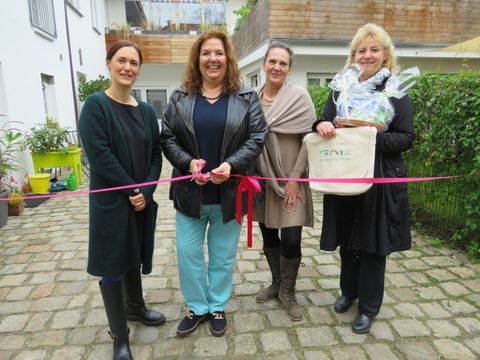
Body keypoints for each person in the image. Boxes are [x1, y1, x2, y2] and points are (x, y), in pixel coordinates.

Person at [161, 30, 267, 337]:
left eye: (218, 53)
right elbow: (167, 136)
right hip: (189, 194)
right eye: (206, 53)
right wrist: (187, 163)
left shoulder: (246, 98)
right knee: (188, 253)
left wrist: (231, 165)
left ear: (228, 58)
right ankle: (197, 307)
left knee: (222, 256)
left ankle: (217, 305)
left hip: (228, 194)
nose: (212, 59)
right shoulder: (180, 97)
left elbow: (258, 136)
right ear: (197, 59)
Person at [313, 23, 414, 334]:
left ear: (385, 55)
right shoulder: (340, 87)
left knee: (372, 245)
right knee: (347, 240)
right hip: (344, 175)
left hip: (379, 178)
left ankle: (369, 307)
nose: (367, 55)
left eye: (374, 49)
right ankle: (349, 292)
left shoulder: (395, 91)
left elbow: (406, 137)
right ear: (353, 55)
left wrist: (367, 137)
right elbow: (325, 120)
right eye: (361, 50)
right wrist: (322, 125)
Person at [79, 40, 165, 359]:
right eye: (121, 60)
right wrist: (132, 191)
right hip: (112, 203)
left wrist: (147, 191)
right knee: (113, 264)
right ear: (109, 63)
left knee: (134, 255)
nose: (128, 67)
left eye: (134, 62)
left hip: (141, 200)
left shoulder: (144, 110)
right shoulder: (95, 106)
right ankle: (119, 337)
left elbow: (155, 154)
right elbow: (100, 156)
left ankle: (136, 307)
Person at [253, 41, 316, 321]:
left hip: (293, 178)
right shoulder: (251, 98)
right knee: (268, 234)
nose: (277, 67)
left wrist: (294, 179)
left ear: (289, 69)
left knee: (291, 238)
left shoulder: (300, 97)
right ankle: (276, 283)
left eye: (283, 63)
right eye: (272, 61)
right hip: (262, 177)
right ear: (264, 65)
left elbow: (309, 140)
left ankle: (289, 291)